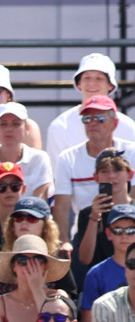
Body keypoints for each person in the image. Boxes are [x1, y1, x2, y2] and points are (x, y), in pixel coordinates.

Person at [54, 94, 135, 234]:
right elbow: (61, 206)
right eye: (87, 119)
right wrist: (64, 242)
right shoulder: (67, 158)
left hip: (126, 234)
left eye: (100, 118)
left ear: (114, 123)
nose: (92, 123)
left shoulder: (132, 152)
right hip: (84, 233)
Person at [46, 53, 135, 168]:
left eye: (99, 78)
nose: (92, 83)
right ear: (78, 84)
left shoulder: (129, 127)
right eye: (87, 78)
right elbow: (57, 175)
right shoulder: (60, 126)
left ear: (110, 86)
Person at [0, 102, 52, 205]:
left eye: (16, 124)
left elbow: (40, 200)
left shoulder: (40, 158)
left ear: (27, 129)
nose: (9, 129)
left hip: (29, 220)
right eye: (3, 124)